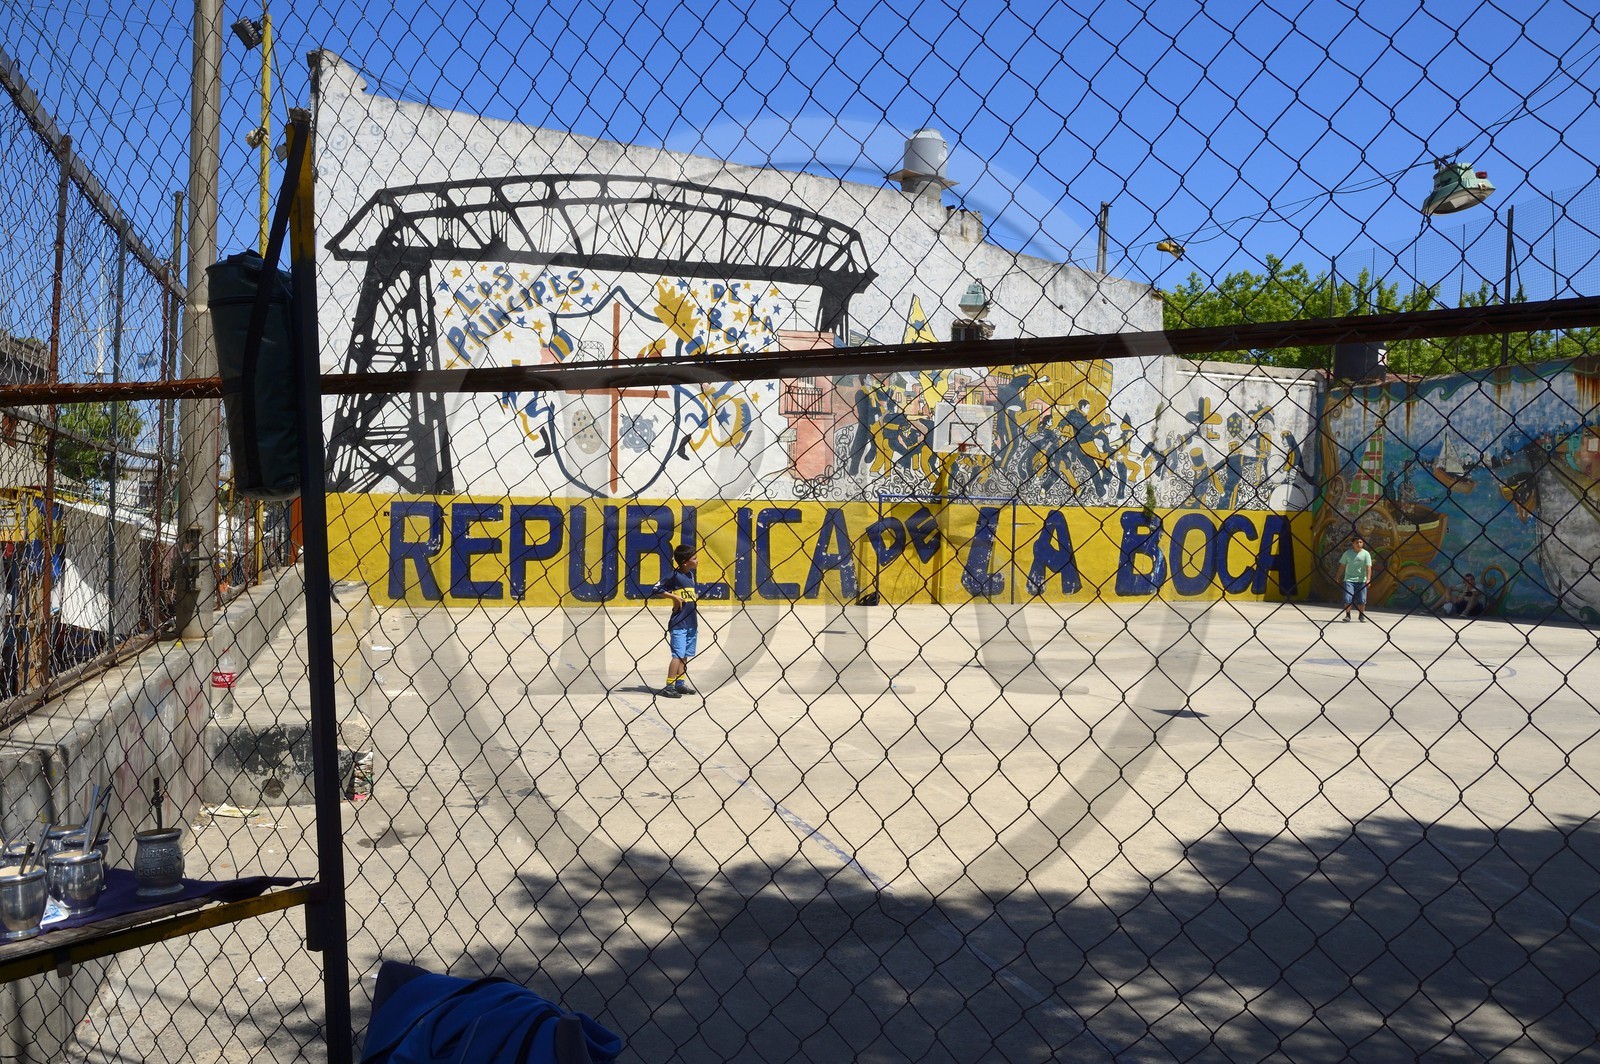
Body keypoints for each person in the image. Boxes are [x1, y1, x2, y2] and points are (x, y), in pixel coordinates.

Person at [645, 544, 699, 698]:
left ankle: (680, 683)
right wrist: (674, 597)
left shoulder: (690, 575)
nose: (697, 561)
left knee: (685, 654)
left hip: (691, 622)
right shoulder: (673, 576)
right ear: (684, 562)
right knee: (677, 655)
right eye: (694, 559)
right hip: (679, 623)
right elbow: (656, 589)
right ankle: (669, 686)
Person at [1339, 534, 1373, 622]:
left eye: (1361, 542)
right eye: (1357, 542)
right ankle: (1348, 615)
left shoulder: (1366, 554)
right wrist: (1337, 576)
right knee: (1348, 598)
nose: (1359, 544)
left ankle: (1361, 615)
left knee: (1362, 599)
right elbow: (1342, 566)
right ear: (1353, 544)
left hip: (1361, 580)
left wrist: (1368, 579)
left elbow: (1368, 567)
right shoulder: (1347, 553)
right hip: (1349, 580)